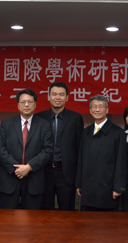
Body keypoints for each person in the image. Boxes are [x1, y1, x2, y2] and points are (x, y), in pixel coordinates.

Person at [0, 89, 53, 209]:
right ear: (18, 105)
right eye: (23, 102)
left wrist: (29, 167)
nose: (26, 105)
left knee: (32, 217)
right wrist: (16, 168)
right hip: (10, 178)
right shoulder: (6, 123)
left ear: (35, 104)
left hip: (34, 178)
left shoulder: (44, 125)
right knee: (8, 216)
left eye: (30, 102)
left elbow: (47, 150)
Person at [35, 82, 84, 211]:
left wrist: (79, 177)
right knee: (45, 211)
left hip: (66, 172)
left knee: (67, 211)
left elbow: (79, 148)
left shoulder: (75, 118)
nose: (58, 97)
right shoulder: (39, 117)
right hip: (44, 171)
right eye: (54, 94)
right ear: (49, 96)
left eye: (61, 94)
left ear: (67, 97)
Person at [76, 95, 126, 212]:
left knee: (106, 221)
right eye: (94, 107)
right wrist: (79, 183)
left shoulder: (118, 132)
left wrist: (118, 187)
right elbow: (81, 159)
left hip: (108, 189)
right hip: (88, 188)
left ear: (107, 110)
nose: (97, 110)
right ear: (90, 110)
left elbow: (121, 162)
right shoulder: (86, 132)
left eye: (100, 106)